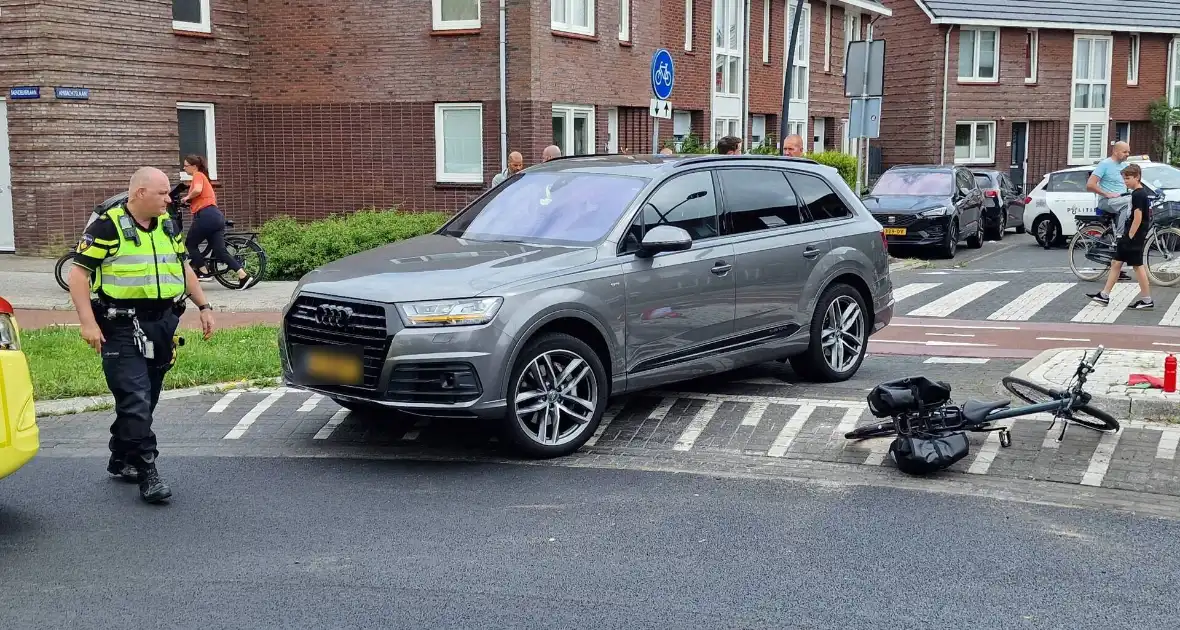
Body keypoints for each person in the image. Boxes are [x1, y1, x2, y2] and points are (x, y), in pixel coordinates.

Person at [66, 166, 217, 503]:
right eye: (163, 193)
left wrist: (204, 307)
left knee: (146, 399)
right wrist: (87, 322)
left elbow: (183, 266)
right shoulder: (107, 226)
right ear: (139, 194)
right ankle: (148, 471)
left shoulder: (167, 224)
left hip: (163, 324)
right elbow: (78, 275)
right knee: (135, 399)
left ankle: (121, 457)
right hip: (121, 327)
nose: (170, 198)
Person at [1086, 163, 1154, 310]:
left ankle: (1146, 299)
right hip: (1136, 235)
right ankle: (1104, 295)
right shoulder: (1140, 193)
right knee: (1117, 263)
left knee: (1136, 266)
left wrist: (1129, 236)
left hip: (1133, 235)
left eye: (1128, 178)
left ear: (1137, 177)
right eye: (1124, 179)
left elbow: (1137, 217)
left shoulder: (1137, 194)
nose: (1125, 182)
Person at [182, 155, 251, 289]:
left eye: (186, 165)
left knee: (190, 243)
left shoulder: (198, 175)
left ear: (194, 166)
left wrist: (186, 198)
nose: (184, 168)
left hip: (206, 216)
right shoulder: (204, 178)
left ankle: (203, 272)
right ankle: (243, 275)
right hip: (216, 216)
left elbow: (197, 190)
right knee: (220, 251)